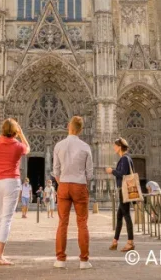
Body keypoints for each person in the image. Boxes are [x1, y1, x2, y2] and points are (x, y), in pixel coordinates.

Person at [52, 115, 93, 270]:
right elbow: (90, 173)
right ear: (81, 130)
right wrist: (83, 182)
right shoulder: (85, 147)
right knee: (82, 223)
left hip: (63, 184)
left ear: (69, 127)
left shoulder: (59, 145)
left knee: (62, 223)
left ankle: (60, 259)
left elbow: (55, 170)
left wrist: (62, 181)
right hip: (80, 185)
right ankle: (84, 261)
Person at [0, 118, 30, 266]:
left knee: (0, 217)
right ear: (14, 131)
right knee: (6, 219)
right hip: (11, 182)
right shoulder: (18, 146)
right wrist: (21, 134)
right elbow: (27, 148)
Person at [106, 137, 135, 252]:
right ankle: (115, 241)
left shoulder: (124, 159)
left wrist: (111, 171)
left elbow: (123, 174)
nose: (114, 147)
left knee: (126, 216)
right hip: (123, 190)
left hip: (124, 190)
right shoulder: (127, 159)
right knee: (119, 216)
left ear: (119, 147)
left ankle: (130, 242)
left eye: (115, 146)